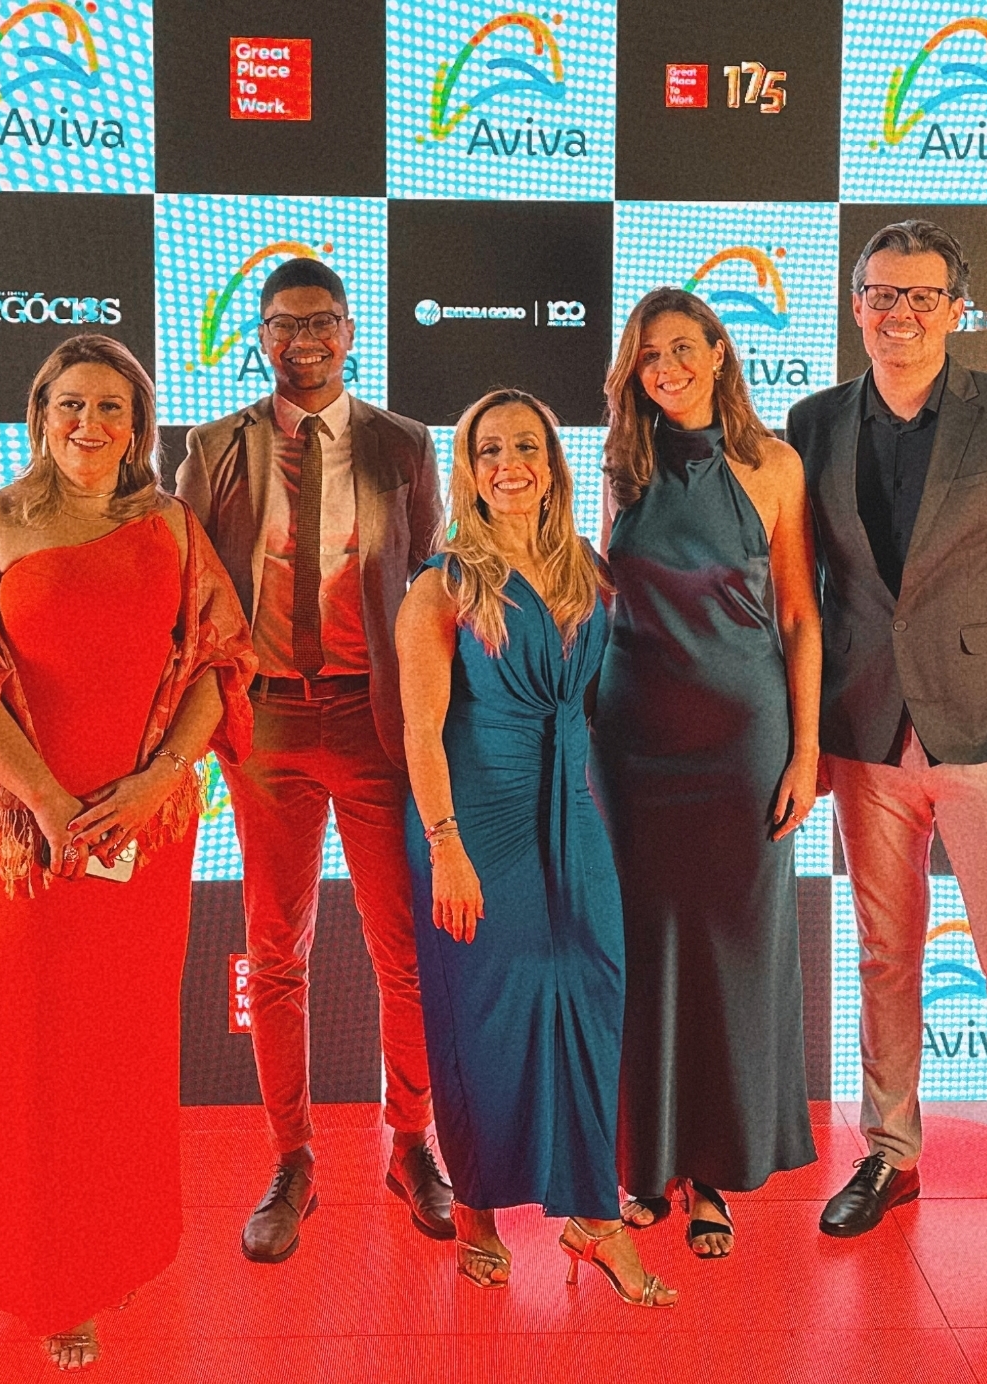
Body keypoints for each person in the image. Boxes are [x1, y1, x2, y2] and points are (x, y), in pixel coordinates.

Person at [0, 334, 256, 1369]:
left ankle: (119, 1251)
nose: (89, 423)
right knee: (40, 1063)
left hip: (143, 838)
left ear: (137, 426)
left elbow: (219, 658)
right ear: (40, 413)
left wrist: (160, 778)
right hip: (22, 843)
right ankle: (57, 1285)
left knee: (123, 1055)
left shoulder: (169, 524)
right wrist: (48, 801)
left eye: (111, 406)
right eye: (70, 403)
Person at [176, 258, 451, 1261]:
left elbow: (427, 586)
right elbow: (191, 593)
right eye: (284, 324)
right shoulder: (213, 447)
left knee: (405, 952)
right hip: (267, 724)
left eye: (320, 322)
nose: (303, 341)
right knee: (275, 951)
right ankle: (290, 1160)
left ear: (349, 332)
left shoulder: (403, 444)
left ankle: (410, 1146)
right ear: (260, 336)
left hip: (374, 719)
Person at [396, 387, 676, 1307]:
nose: (508, 463)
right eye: (489, 450)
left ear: (553, 465)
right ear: (468, 470)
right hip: (473, 817)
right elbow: (420, 732)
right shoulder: (442, 584)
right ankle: (476, 1207)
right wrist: (446, 847)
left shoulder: (586, 567)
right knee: (487, 1016)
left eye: (526, 446)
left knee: (592, 994)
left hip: (570, 805)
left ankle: (593, 1217)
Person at [786, 219, 987, 1238]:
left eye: (922, 296)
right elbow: (802, 590)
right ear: (855, 306)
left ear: (957, 310)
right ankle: (889, 1153)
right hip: (862, 729)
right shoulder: (811, 422)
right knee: (885, 955)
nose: (901, 314)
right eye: (882, 294)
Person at [590, 288, 820, 1258]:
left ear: (720, 352)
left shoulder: (775, 465)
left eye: (683, 348)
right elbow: (606, 600)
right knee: (644, 949)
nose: (667, 368)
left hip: (741, 745)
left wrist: (804, 750)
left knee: (731, 955)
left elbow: (800, 615)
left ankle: (714, 1176)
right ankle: (646, 1164)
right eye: (649, 356)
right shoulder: (619, 465)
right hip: (633, 744)